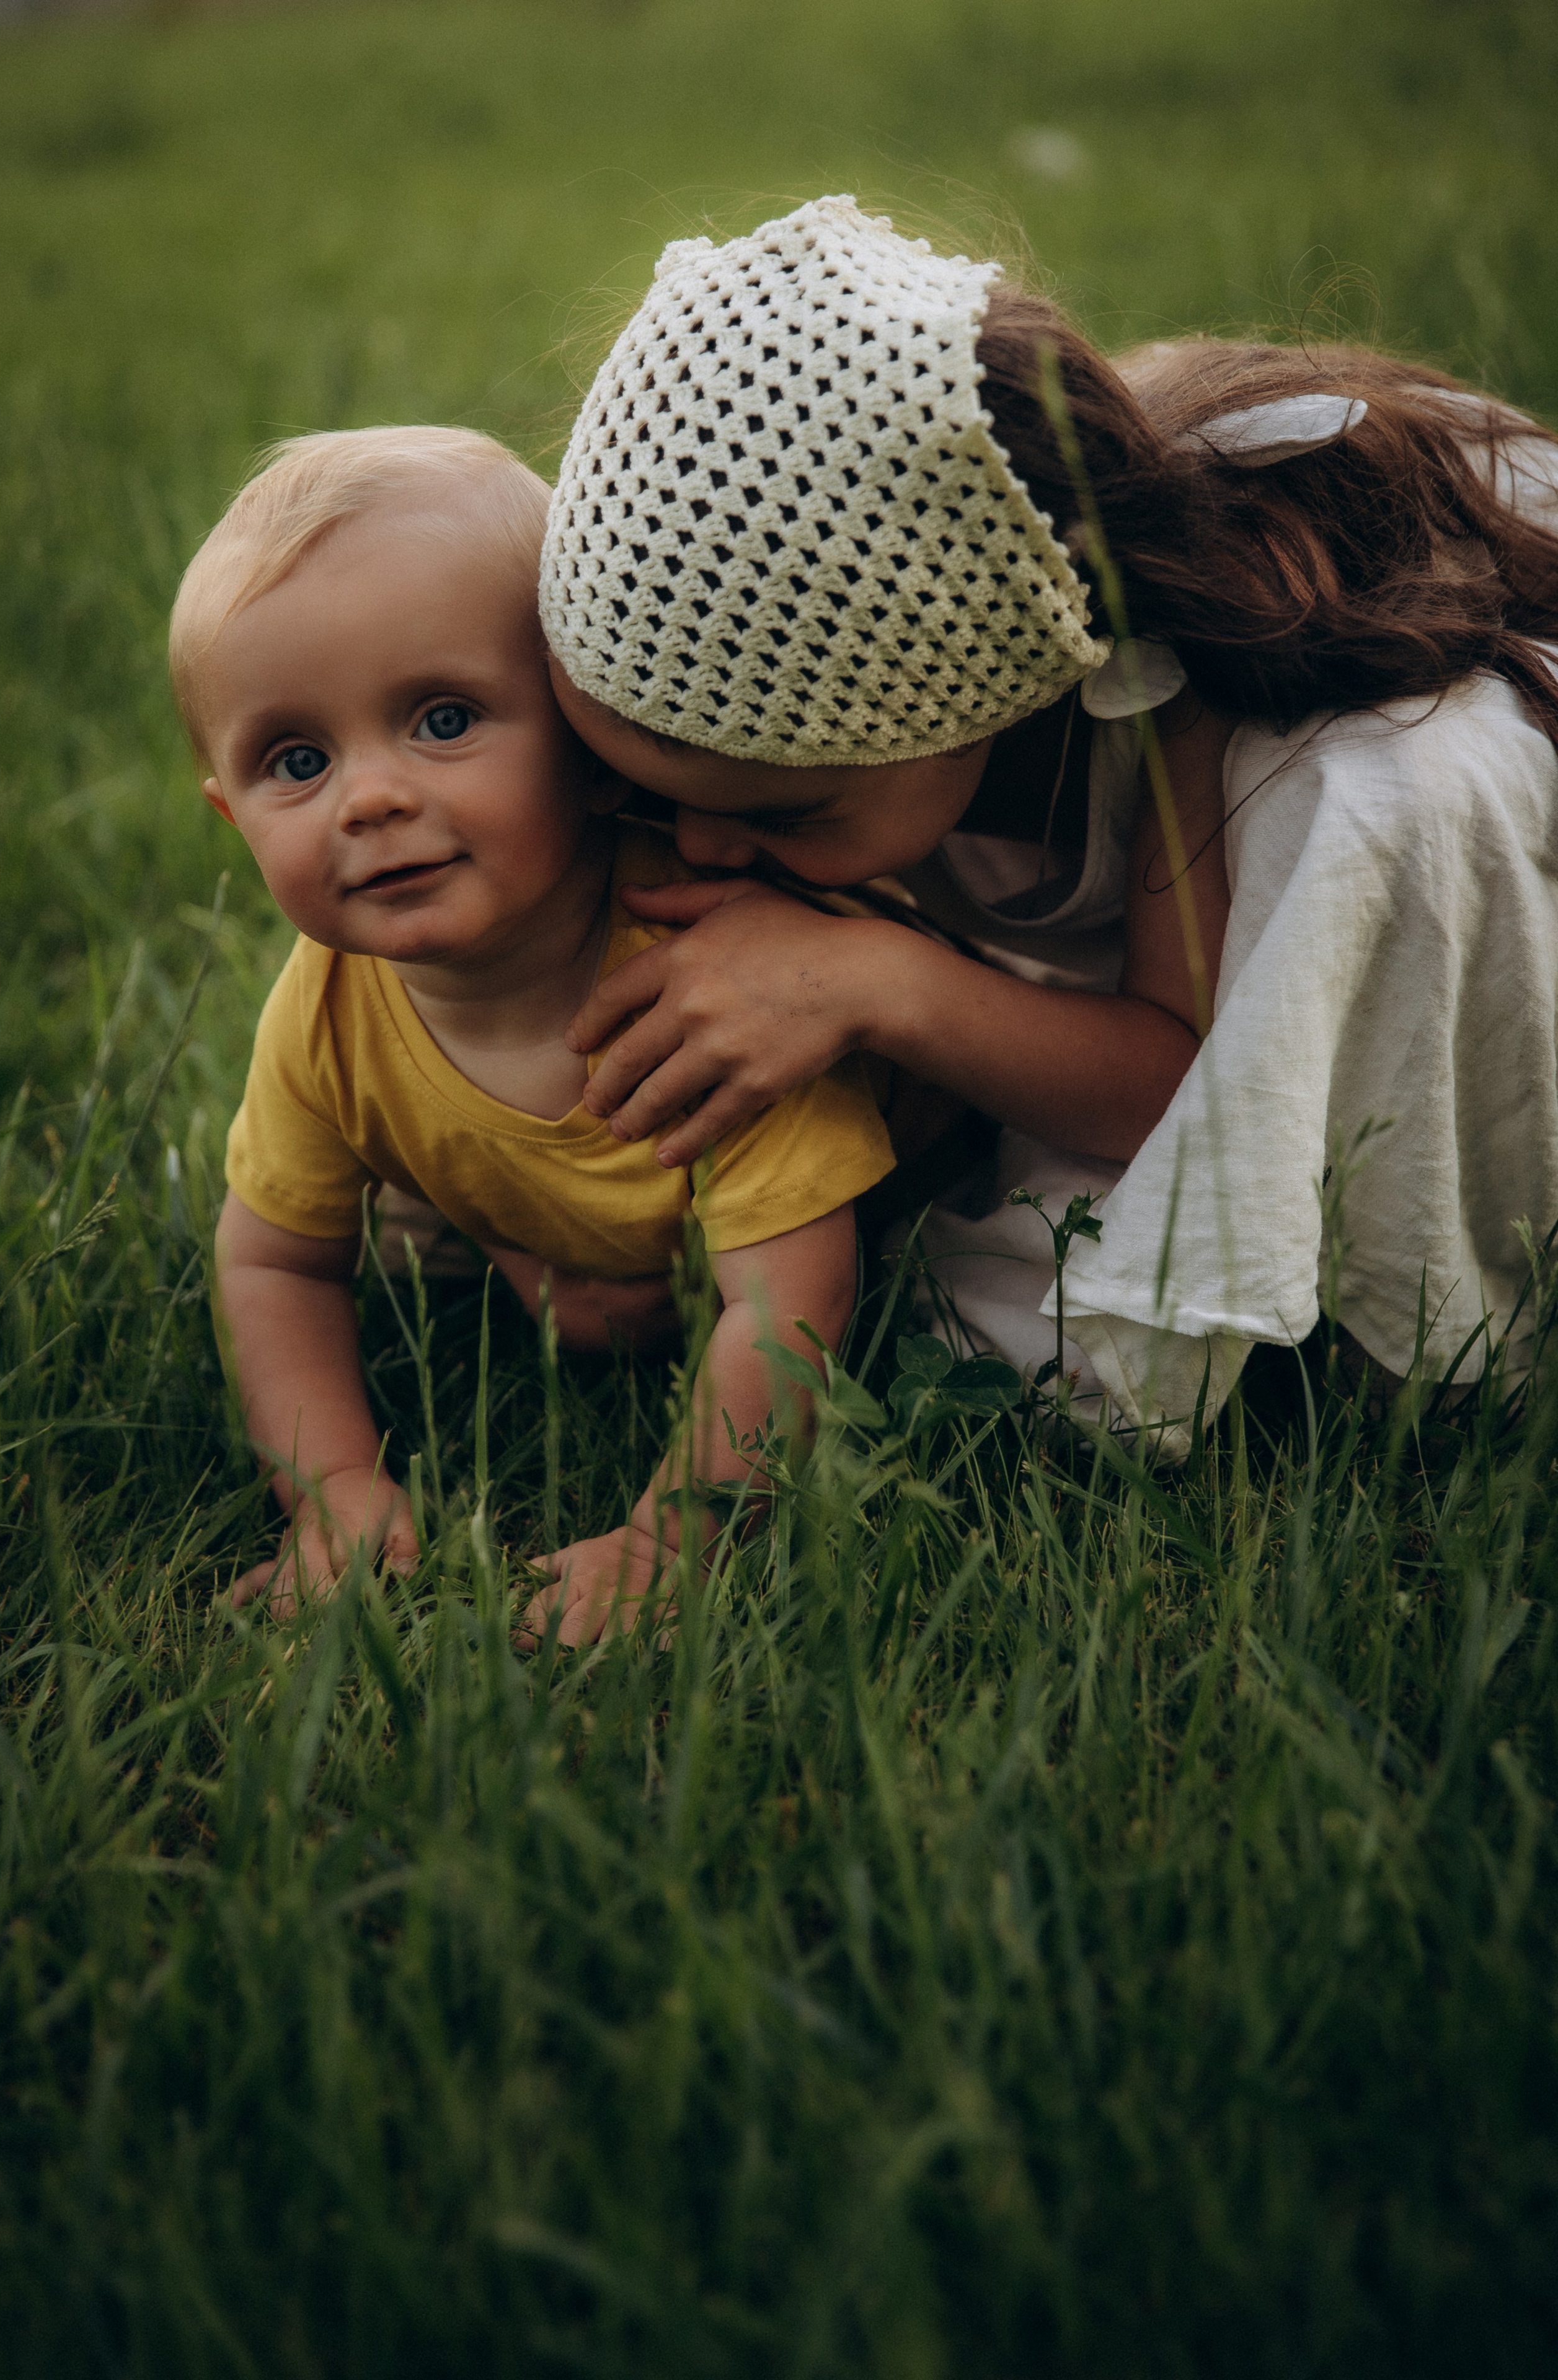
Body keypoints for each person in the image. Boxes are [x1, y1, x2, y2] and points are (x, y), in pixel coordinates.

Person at [536, 195, 1558, 1445]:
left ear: (986, 699)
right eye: (650, 800)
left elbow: (1178, 1083)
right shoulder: (768, 633)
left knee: (1050, 1344)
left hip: (1392, 799)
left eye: (783, 811)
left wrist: (876, 983)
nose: (694, 848)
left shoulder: (1187, 707)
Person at [169, 426, 893, 1640]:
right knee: (554, 1294)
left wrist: (678, 1536)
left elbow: (792, 1301)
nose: (372, 796)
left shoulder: (709, 975)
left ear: (591, 734)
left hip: (911, 1174)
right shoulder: (328, 1006)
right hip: (574, 1216)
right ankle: (522, 1241)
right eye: (296, 759)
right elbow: (273, 1261)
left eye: (444, 720)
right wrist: (332, 1486)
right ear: (228, 811)